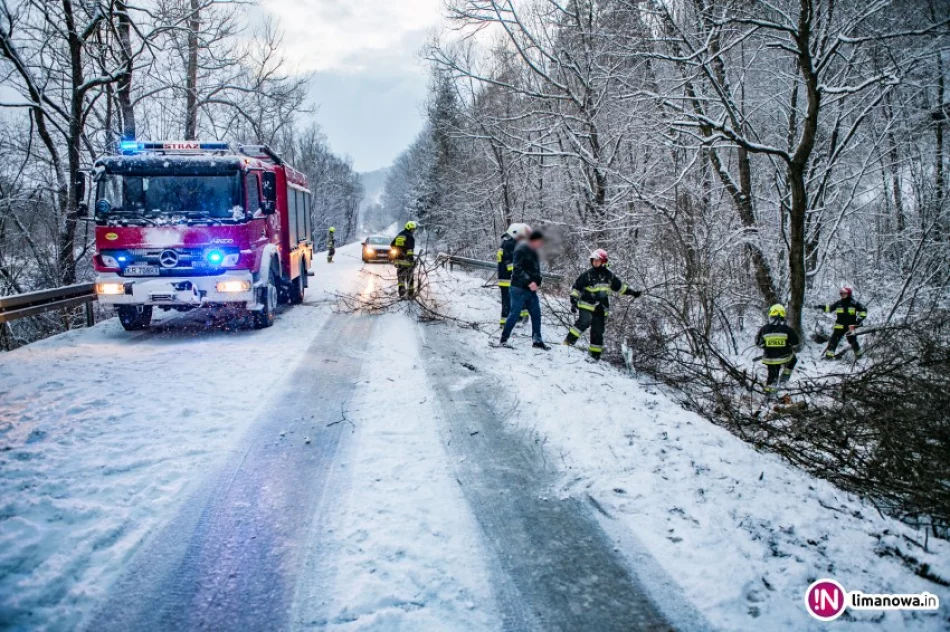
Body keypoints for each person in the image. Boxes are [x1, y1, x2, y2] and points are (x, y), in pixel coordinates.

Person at [563, 249, 641, 360]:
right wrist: (574, 301)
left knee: (598, 331)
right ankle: (568, 342)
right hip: (586, 304)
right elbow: (576, 288)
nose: (595, 262)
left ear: (603, 261)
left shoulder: (609, 275)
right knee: (584, 322)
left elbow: (620, 287)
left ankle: (595, 355)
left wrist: (632, 292)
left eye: (597, 261)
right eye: (593, 260)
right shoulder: (587, 274)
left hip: (601, 307)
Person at [498, 230, 549, 350]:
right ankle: (503, 339)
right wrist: (529, 281)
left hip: (531, 290)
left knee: (536, 314)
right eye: (540, 242)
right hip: (518, 288)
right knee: (514, 314)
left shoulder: (535, 252)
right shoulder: (520, 249)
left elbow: (536, 271)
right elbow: (517, 269)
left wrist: (537, 282)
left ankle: (537, 340)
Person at [755, 304, 800, 394]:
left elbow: (758, 343)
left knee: (772, 376)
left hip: (769, 358)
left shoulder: (764, 329)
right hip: (784, 356)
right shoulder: (787, 329)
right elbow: (795, 342)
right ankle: (785, 378)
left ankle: (769, 393)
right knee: (793, 360)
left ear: (771, 315)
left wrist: (768, 345)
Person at [813, 286, 867, 359]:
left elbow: (864, 310)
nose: (842, 295)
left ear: (849, 294)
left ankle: (859, 356)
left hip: (851, 327)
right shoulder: (839, 303)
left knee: (853, 341)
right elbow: (830, 308)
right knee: (833, 341)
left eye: (844, 294)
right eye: (841, 294)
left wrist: (858, 321)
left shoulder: (854, 303)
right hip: (839, 326)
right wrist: (821, 307)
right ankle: (829, 357)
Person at [497, 223, 531, 326]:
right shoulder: (510, 243)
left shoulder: (506, 242)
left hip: (505, 278)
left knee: (509, 301)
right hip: (509, 279)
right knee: (510, 300)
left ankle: (512, 319)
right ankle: (508, 321)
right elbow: (510, 262)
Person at [391, 221, 418, 298]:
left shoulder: (400, 235)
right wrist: (411, 259)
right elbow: (410, 249)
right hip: (407, 262)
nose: (413, 231)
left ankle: (401, 293)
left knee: (401, 278)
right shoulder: (410, 237)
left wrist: (398, 251)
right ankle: (410, 294)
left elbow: (392, 245)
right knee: (410, 278)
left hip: (399, 261)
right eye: (413, 229)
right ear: (409, 228)